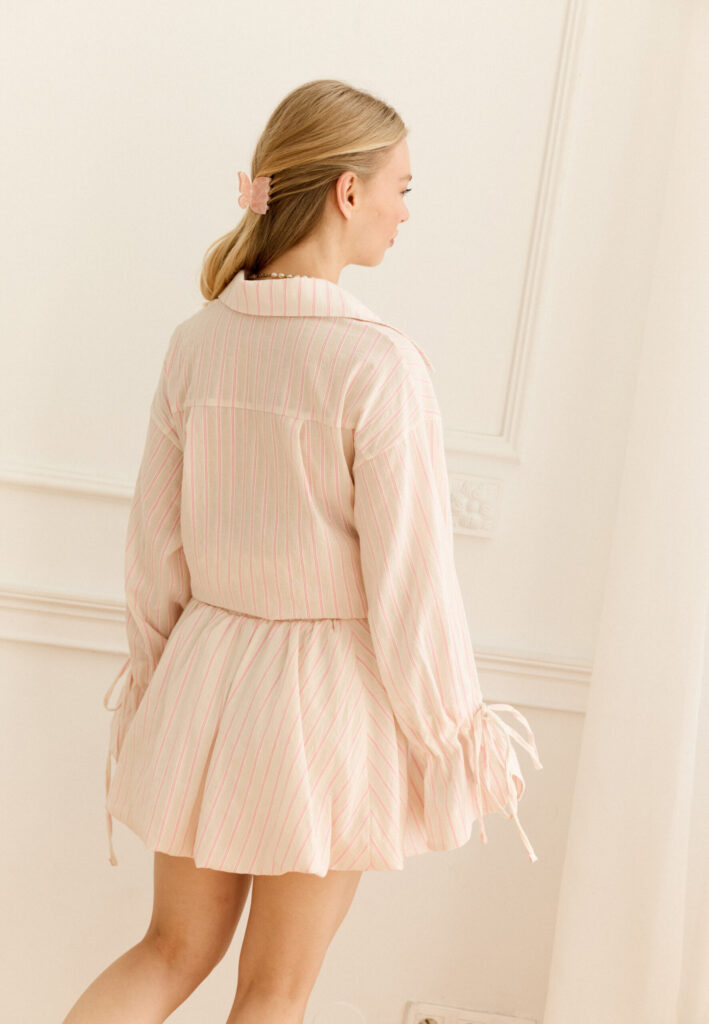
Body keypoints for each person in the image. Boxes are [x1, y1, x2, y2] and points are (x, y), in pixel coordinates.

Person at [62, 77, 542, 1024]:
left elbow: (153, 553)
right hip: (321, 708)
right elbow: (409, 588)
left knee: (167, 951)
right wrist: (455, 737)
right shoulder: (379, 365)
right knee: (276, 989)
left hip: (204, 676)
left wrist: (159, 692)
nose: (406, 212)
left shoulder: (197, 341)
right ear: (347, 192)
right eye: (401, 187)